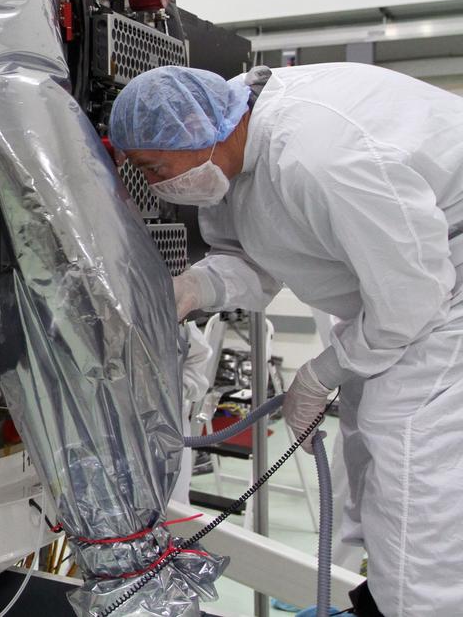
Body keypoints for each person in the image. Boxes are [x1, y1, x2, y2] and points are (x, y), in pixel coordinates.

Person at [108, 63, 463, 616]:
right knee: (372, 457)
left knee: (417, 468)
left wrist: (322, 373)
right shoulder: (234, 159)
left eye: (156, 168)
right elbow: (252, 258)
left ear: (202, 130)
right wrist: (190, 289)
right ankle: (384, 598)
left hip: (442, 297)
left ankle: (422, 604)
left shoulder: (317, 154)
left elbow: (413, 298)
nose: (157, 185)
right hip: (402, 292)